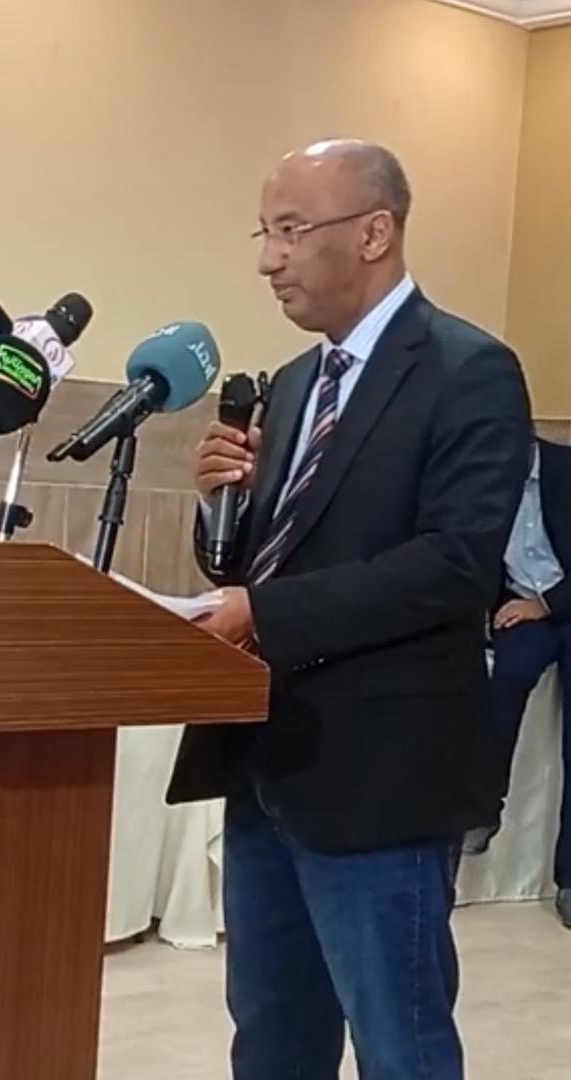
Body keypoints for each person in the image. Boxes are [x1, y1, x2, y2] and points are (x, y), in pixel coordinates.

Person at [166, 139, 532, 1080]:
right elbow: (261, 561)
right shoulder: (294, 384)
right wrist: (221, 508)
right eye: (263, 233)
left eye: (291, 230)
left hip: (380, 778)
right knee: (272, 1039)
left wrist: (262, 613)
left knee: (399, 1045)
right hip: (265, 763)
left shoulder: (469, 370)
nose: (268, 259)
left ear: (375, 233)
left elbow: (455, 565)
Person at [464, 438, 571, 930]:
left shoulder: (564, 469)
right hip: (521, 609)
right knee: (500, 681)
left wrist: (545, 604)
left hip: (556, 604)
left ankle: (569, 878)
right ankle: (481, 809)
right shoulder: (478, 481)